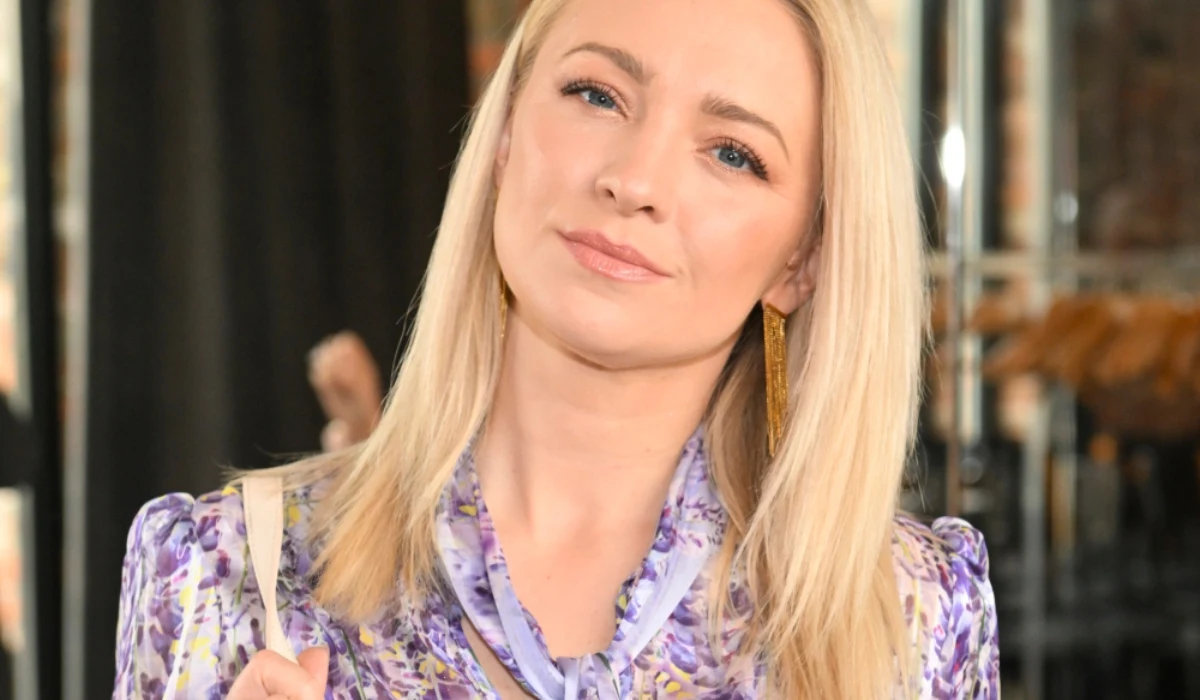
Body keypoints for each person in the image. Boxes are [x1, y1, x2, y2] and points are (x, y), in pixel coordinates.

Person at [113, 0, 1000, 697]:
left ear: (803, 260)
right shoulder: (225, 574)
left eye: (733, 153)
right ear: (504, 134)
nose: (635, 180)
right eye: (597, 96)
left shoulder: (911, 621)